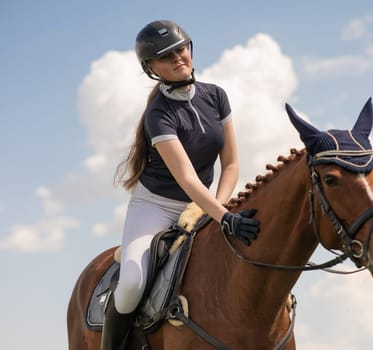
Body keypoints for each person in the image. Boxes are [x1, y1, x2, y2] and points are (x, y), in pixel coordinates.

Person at [101, 19, 260, 350]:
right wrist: (221, 215)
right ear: (151, 68)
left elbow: (230, 163)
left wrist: (222, 208)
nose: (177, 58)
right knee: (131, 284)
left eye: (181, 49)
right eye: (165, 56)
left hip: (203, 202)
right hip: (156, 206)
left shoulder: (216, 96)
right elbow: (186, 177)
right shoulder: (158, 115)